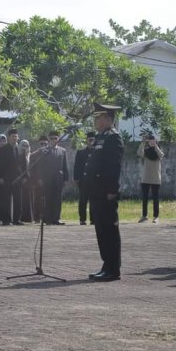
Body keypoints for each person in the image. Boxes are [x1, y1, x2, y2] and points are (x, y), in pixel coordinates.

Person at [86, 103, 124, 282]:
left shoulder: (113, 138)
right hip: (96, 190)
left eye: (98, 118)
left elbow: (113, 167)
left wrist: (111, 190)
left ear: (108, 119)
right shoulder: (101, 137)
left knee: (109, 229)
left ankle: (113, 268)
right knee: (100, 229)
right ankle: (106, 265)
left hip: (106, 191)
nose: (96, 121)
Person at [0, 128, 24, 225]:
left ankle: (16, 219)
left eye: (16, 137)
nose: (14, 138)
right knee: (6, 200)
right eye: (12, 137)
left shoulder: (19, 149)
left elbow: (23, 165)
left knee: (18, 200)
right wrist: (0, 177)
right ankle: (6, 219)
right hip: (6, 178)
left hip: (17, 179)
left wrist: (24, 177)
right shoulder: (3, 150)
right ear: (9, 138)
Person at [37, 130, 69, 225]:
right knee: (48, 199)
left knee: (57, 199)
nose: (53, 140)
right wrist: (40, 178)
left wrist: (66, 178)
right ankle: (48, 218)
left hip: (58, 179)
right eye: (51, 138)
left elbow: (65, 165)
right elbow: (40, 166)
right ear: (49, 139)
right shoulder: (44, 151)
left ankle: (56, 218)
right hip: (47, 179)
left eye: (55, 138)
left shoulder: (62, 151)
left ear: (58, 139)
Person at [136, 133, 164, 223]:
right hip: (146, 177)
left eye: (153, 140)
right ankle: (144, 215)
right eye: (150, 140)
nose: (151, 142)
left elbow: (161, 155)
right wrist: (143, 143)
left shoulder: (158, 150)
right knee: (145, 198)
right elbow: (139, 153)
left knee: (155, 198)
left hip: (156, 178)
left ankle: (156, 217)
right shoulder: (146, 150)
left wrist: (155, 145)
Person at [73, 131, 96, 225]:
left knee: (94, 201)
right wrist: (76, 178)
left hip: (94, 180)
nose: (91, 141)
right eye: (89, 139)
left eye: (93, 140)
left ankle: (93, 219)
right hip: (83, 180)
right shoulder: (80, 152)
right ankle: (82, 219)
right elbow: (76, 166)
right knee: (83, 200)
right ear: (86, 140)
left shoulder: (98, 152)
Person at [18, 139, 34, 222]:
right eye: (23, 145)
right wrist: (22, 178)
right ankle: (21, 217)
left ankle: (29, 218)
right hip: (21, 180)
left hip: (30, 181)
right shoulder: (17, 156)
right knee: (21, 199)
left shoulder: (31, 155)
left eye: (26, 145)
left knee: (29, 199)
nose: (24, 147)